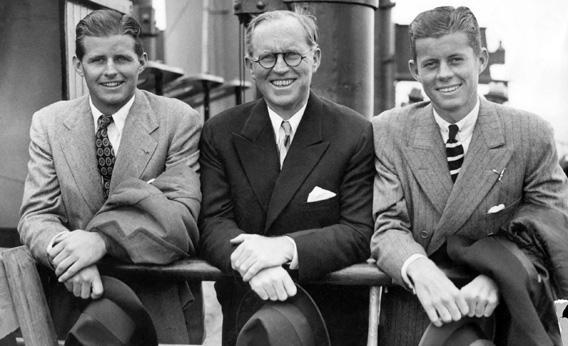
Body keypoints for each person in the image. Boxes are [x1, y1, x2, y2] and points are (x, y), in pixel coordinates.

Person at [371, 6, 568, 345]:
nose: (444, 74)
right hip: (416, 314)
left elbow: (550, 225)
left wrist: (501, 274)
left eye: (456, 60)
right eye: (431, 64)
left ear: (481, 59)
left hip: (506, 316)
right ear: (415, 70)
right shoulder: (387, 131)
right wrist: (417, 267)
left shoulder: (530, 134)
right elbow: (387, 224)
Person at [18, 9, 202, 344]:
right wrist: (69, 254)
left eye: (122, 58)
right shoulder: (49, 123)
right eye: (97, 60)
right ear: (78, 66)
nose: (111, 71)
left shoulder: (179, 120)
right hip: (79, 305)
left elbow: (182, 220)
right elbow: (36, 215)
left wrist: (99, 242)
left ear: (142, 61)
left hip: (157, 308)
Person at [198, 10, 374, 345]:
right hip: (250, 314)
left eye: (292, 54)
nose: (280, 68)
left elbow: (359, 231)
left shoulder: (354, 132)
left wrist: (282, 249)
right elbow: (213, 223)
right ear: (251, 65)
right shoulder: (221, 132)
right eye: (266, 57)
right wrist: (256, 266)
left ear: (316, 57)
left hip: (329, 319)